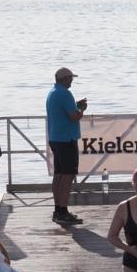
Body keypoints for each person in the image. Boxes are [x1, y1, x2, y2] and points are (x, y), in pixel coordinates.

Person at [45, 67, 87, 225]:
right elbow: (74, 116)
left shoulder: (53, 92)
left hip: (56, 138)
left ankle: (58, 209)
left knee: (59, 174)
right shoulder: (64, 93)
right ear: (64, 79)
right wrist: (81, 109)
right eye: (70, 78)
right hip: (66, 140)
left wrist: (75, 105)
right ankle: (63, 210)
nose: (72, 80)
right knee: (68, 175)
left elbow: (64, 111)